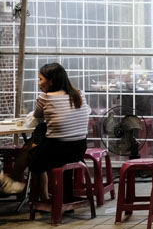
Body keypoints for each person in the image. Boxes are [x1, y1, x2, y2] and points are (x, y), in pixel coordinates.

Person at [0, 63, 91, 195]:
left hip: (56, 151)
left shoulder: (45, 98)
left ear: (52, 81)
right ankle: (45, 196)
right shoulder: (79, 95)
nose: (38, 83)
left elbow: (35, 119)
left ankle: (17, 186)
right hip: (78, 149)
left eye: (41, 79)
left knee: (31, 152)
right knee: (37, 140)